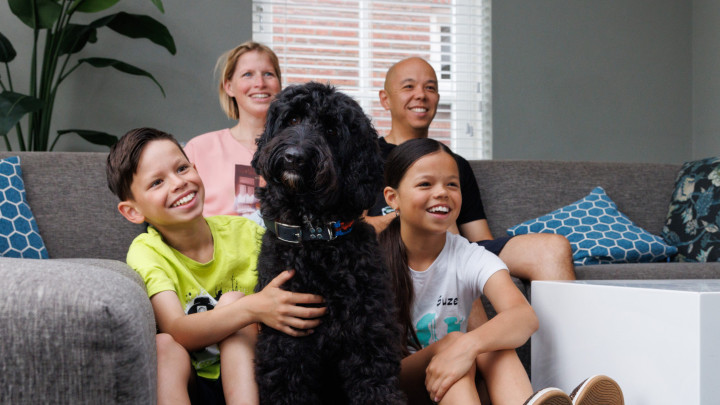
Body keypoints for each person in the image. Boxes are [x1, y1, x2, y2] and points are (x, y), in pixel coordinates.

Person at [378, 138, 624, 405]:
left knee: (491, 348)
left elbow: (523, 316)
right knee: (453, 348)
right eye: (426, 184)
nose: (442, 193)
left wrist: (469, 345)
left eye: (452, 184)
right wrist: (460, 345)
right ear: (393, 198)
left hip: (451, 378)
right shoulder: (373, 257)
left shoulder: (468, 255)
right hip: (394, 383)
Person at [106, 128, 326, 405]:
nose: (177, 183)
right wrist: (252, 307)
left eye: (182, 168)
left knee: (235, 304)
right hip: (194, 382)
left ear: (196, 169)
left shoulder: (245, 232)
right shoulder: (147, 251)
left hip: (258, 376)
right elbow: (176, 330)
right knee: (164, 345)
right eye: (157, 182)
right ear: (133, 211)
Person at [366, 56, 575, 284]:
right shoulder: (364, 158)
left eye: (430, 88)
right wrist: (416, 214)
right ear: (385, 100)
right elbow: (352, 229)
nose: (421, 95)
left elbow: (480, 239)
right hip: (397, 250)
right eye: (408, 87)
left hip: (457, 250)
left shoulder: (454, 163)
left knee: (553, 248)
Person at [184, 41, 282, 219]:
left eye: (268, 74)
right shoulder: (198, 149)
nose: (260, 83)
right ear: (229, 87)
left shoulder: (294, 151)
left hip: (277, 245)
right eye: (247, 74)